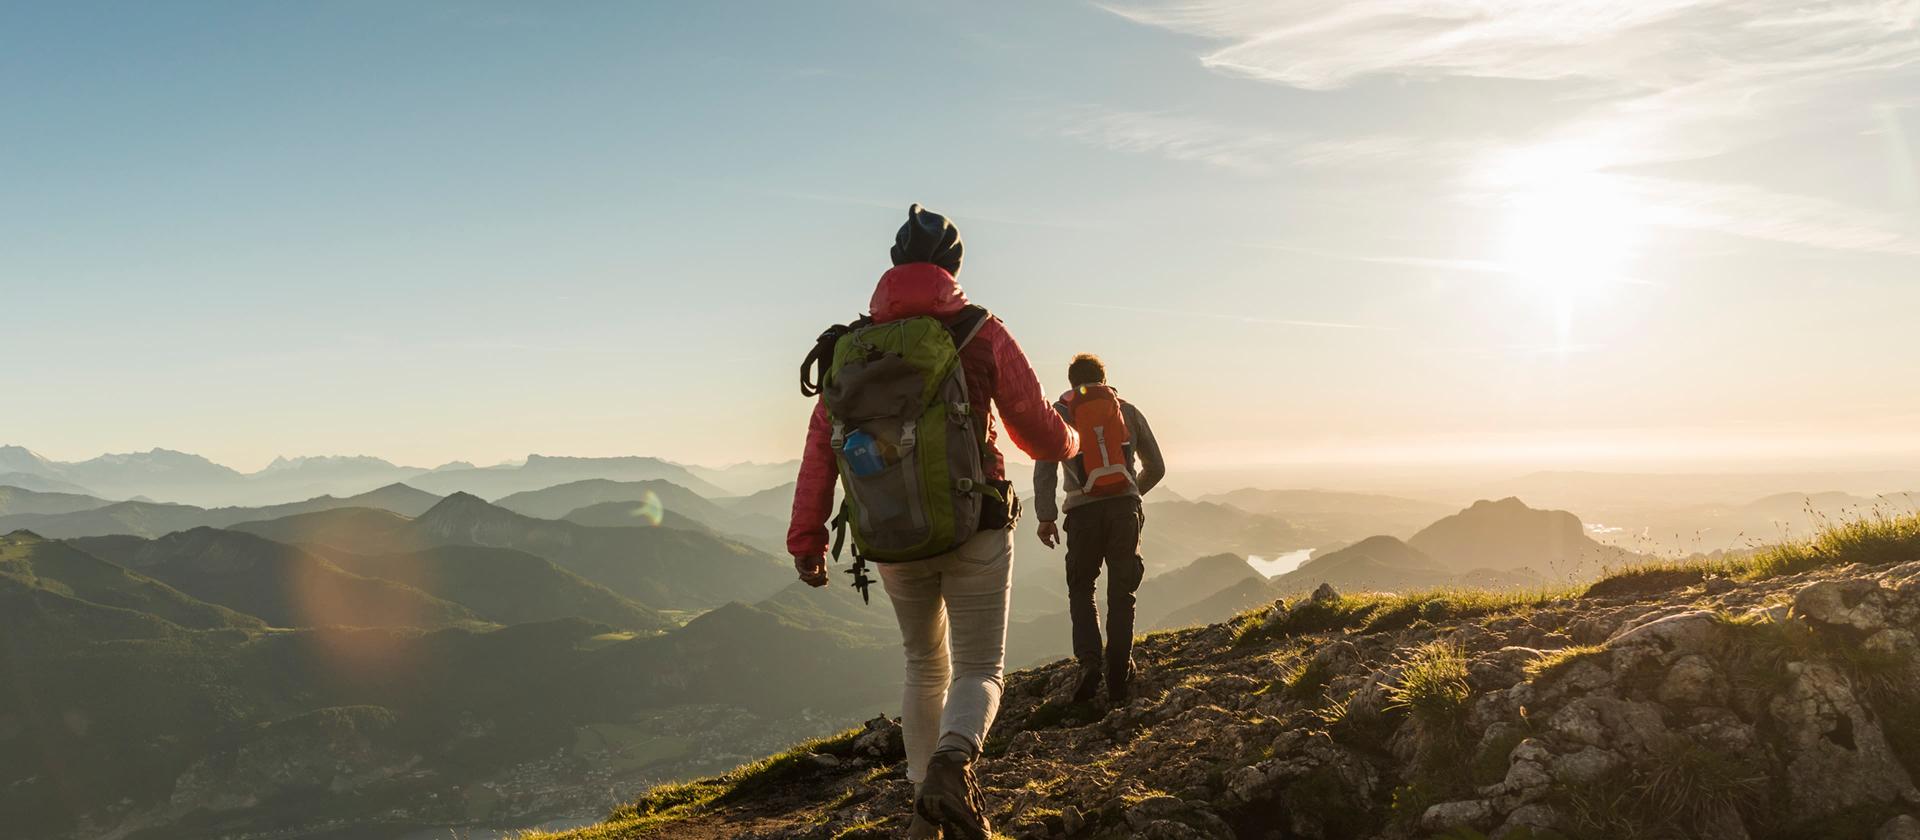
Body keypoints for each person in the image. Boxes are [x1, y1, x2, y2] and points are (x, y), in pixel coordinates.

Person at [789, 205, 1078, 840]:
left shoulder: (848, 349)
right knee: (979, 669)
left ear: (895, 268)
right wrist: (1072, 442)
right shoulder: (979, 331)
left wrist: (807, 538)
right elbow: (1038, 430)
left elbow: (820, 452)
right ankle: (952, 770)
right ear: (953, 269)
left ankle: (926, 812)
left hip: (888, 537)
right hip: (975, 526)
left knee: (924, 663)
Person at [1033, 354, 1166, 704]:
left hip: (1082, 514)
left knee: (1082, 587)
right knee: (1122, 592)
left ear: (1072, 380)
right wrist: (1131, 491)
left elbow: (1045, 469)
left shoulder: (1059, 414)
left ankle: (1090, 663)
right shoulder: (1128, 411)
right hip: (1125, 511)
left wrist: (1045, 516)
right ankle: (1119, 674)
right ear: (1104, 379)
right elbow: (1158, 466)